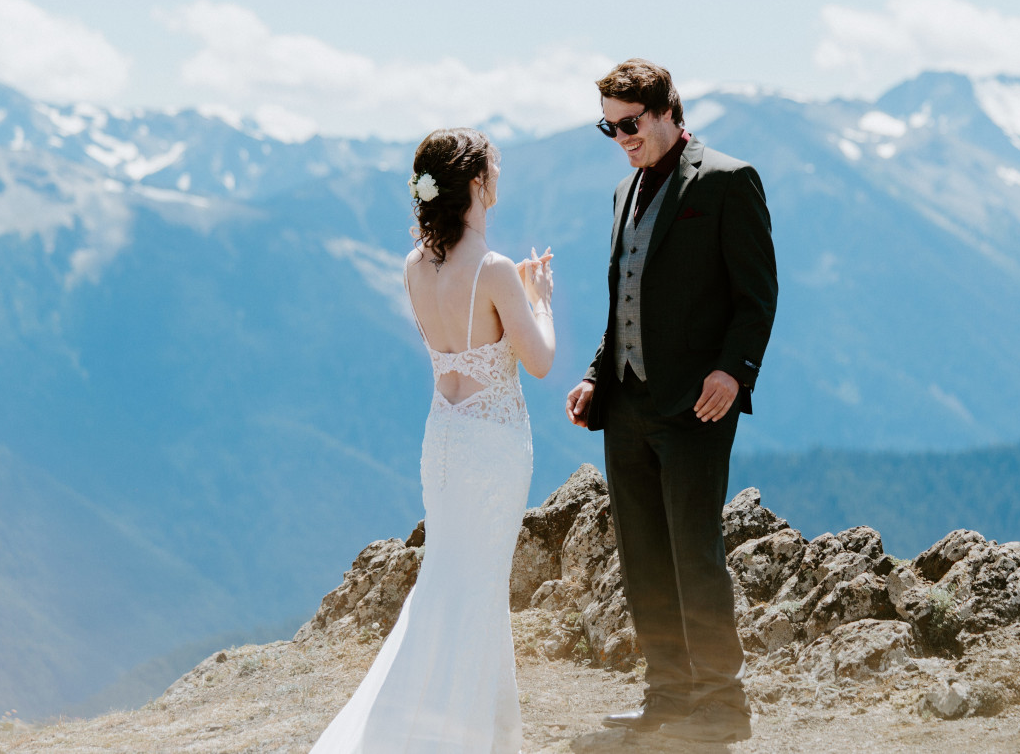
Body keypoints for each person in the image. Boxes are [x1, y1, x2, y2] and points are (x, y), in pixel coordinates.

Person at [310, 127, 554, 754]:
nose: (498, 176)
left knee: (447, 580)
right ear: (475, 182)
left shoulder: (414, 267)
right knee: (478, 587)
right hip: (493, 446)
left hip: (442, 438)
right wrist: (540, 299)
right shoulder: (496, 270)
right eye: (493, 167)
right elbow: (542, 360)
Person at [565, 59, 777, 743]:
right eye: (609, 125)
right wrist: (598, 375)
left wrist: (734, 371)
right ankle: (667, 691)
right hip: (625, 406)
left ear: (665, 111)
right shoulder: (624, 190)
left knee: (693, 548)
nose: (620, 136)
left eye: (629, 123)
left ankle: (720, 699)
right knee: (643, 554)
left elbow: (756, 295)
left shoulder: (725, 181)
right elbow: (621, 300)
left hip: (695, 404)